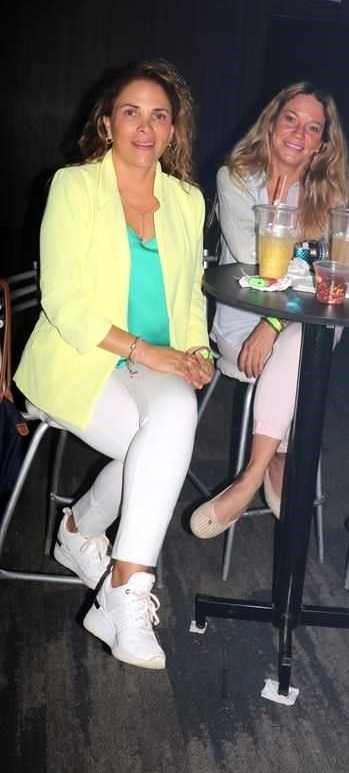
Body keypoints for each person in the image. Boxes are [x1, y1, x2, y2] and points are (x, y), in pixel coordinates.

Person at [15, 59, 215, 668]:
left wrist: (197, 349)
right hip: (82, 359)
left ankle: (119, 582)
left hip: (151, 365)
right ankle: (93, 551)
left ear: (173, 130)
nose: (145, 126)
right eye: (131, 111)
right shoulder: (74, 187)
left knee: (174, 415)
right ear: (106, 124)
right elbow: (64, 303)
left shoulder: (186, 200)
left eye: (159, 115)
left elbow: (189, 298)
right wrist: (146, 351)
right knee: (164, 443)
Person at [190, 81, 349, 538]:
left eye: (313, 127)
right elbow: (252, 260)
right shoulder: (235, 178)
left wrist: (276, 323)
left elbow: (331, 280)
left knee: (307, 338)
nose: (299, 133)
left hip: (301, 321)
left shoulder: (331, 197)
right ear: (272, 122)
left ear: (323, 143)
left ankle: (251, 473)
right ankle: (281, 454)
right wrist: (278, 307)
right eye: (291, 119)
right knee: (306, 350)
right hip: (240, 323)